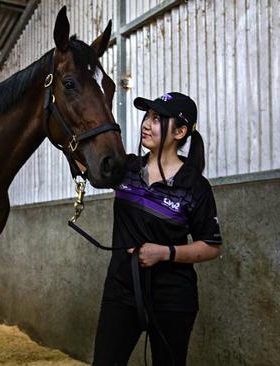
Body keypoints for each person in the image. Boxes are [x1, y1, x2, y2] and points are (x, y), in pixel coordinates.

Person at [92, 92, 222, 366]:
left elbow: (211, 247)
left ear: (181, 131)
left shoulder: (195, 186)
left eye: (157, 119)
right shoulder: (127, 168)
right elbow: (86, 162)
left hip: (172, 297)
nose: (146, 124)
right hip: (121, 290)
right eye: (147, 117)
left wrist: (165, 253)